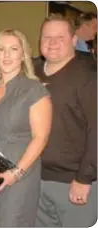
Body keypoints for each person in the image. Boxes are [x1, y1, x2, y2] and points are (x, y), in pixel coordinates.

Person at [0, 28, 52, 226]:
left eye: (13, 49)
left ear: (23, 54)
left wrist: (17, 173)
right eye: (1, 49)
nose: (6, 55)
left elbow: (40, 138)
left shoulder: (34, 90)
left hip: (17, 175)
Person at [34, 15, 97, 227]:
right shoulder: (32, 73)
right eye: (46, 37)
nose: (52, 43)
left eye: (60, 37)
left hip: (74, 183)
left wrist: (84, 178)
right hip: (36, 179)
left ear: (73, 40)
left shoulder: (89, 76)